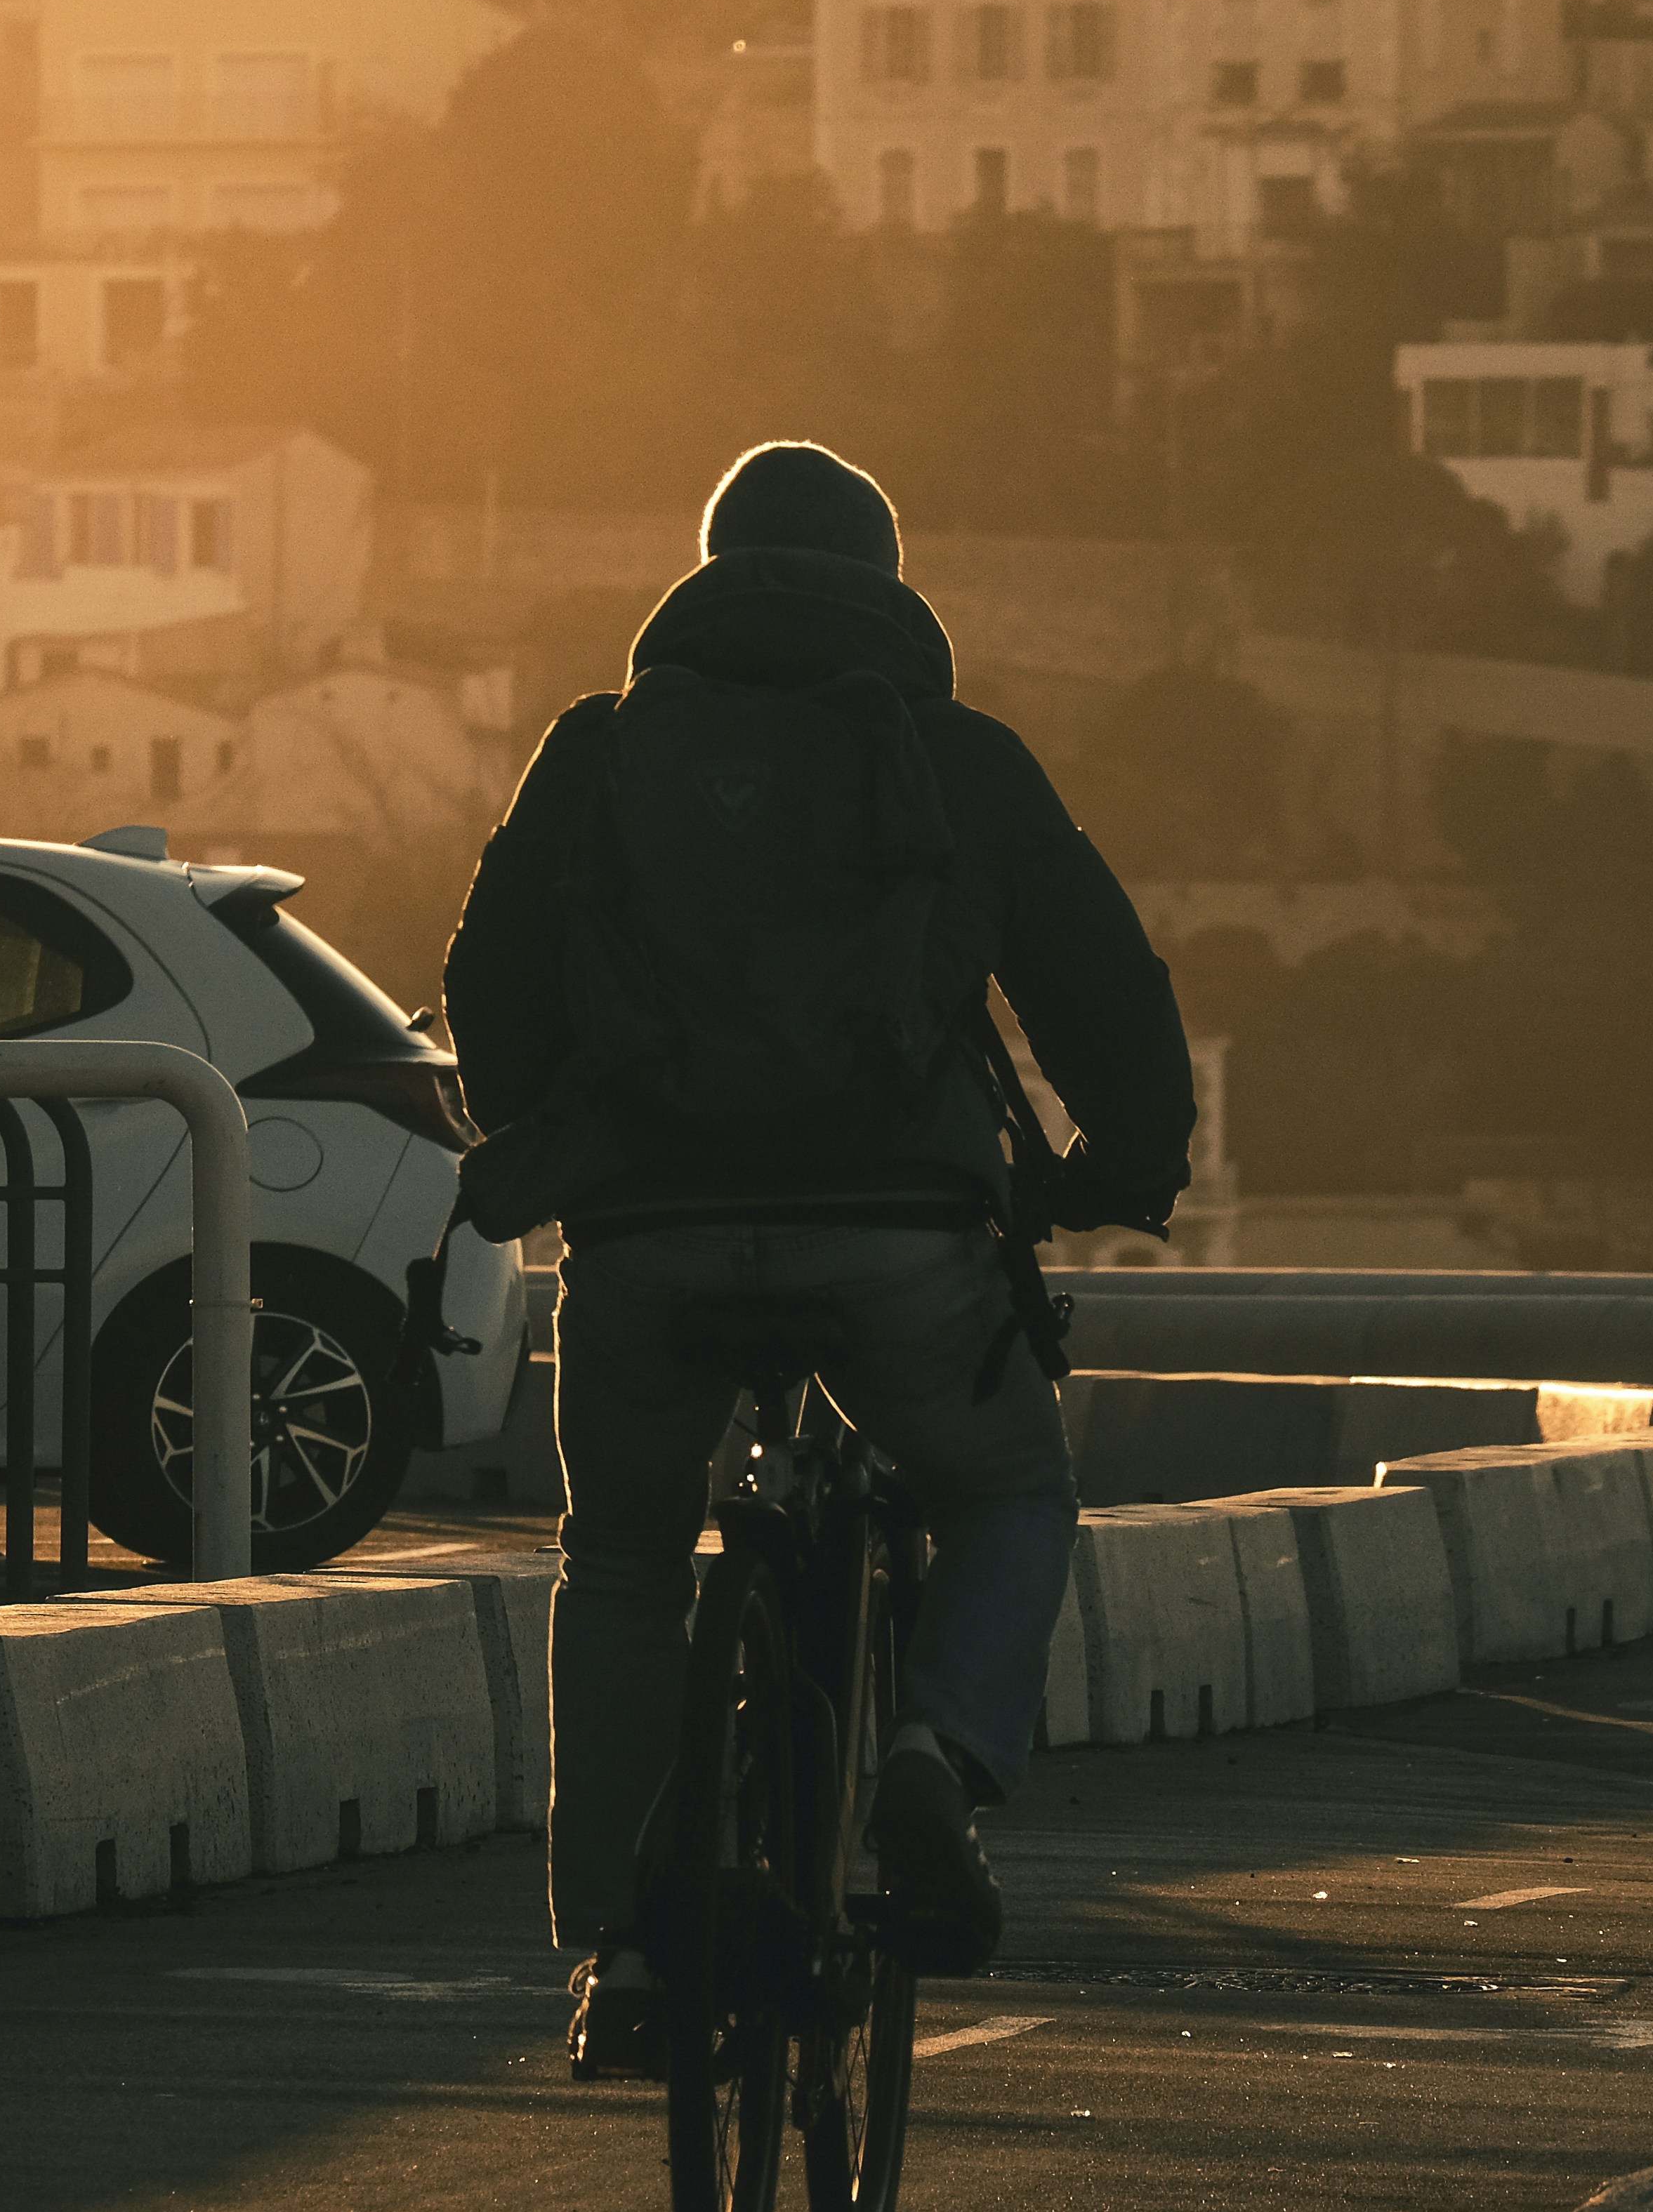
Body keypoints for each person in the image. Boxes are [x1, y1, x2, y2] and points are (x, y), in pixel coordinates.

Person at [440, 440, 1194, 2078]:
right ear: (893, 585)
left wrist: (567, 1140)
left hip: (646, 1233)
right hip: (899, 1231)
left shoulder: (602, 750)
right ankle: (935, 1752)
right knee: (1007, 1490)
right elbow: (1104, 989)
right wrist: (1118, 1169)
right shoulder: (954, 755)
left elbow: (490, 973)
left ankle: (623, 1954)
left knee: (629, 1560)